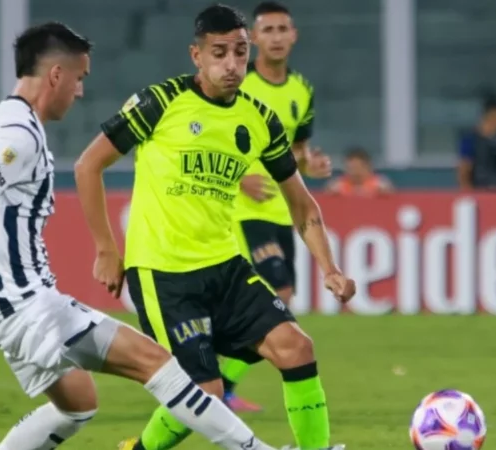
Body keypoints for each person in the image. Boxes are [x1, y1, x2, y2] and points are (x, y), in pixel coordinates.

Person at [0, 22, 284, 450]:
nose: (80, 91)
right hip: (26, 305)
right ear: (56, 75)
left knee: (78, 403)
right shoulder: (18, 133)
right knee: (158, 363)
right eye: (79, 78)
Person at [73, 5, 355, 450]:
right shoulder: (160, 102)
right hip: (164, 273)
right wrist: (107, 249)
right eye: (219, 53)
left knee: (296, 347)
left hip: (225, 266)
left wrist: (331, 268)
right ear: (197, 56)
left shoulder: (260, 119)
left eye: (240, 53)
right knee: (205, 395)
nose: (231, 64)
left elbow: (302, 205)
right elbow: (88, 166)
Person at [222, 1, 333, 413]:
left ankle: (217, 382)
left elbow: (296, 151)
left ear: (294, 35)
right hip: (240, 211)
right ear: (253, 39)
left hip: (281, 211)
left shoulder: (301, 90)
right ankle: (220, 384)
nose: (276, 37)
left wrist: (310, 165)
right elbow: (211, 141)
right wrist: (239, 178)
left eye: (282, 29)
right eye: (267, 30)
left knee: (280, 299)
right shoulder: (238, 85)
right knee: (278, 289)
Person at [457, 95, 496, 190]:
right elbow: (464, 170)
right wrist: (469, 192)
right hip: (481, 191)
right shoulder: (471, 139)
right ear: (491, 116)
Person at [326, 147, 393, 196]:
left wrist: (386, 194)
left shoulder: (380, 184)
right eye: (350, 168)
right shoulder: (337, 185)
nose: (354, 172)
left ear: (368, 167)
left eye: (357, 168)